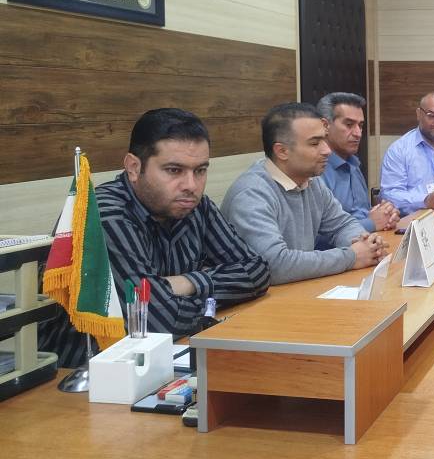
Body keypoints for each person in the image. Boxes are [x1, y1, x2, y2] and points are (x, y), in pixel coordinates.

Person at [39, 108, 271, 367]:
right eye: (174, 170)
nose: (191, 185)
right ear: (134, 167)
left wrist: (185, 283)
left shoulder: (195, 206)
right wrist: (201, 303)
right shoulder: (105, 216)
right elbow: (156, 321)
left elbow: (257, 272)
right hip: (84, 369)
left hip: (161, 357)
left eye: (200, 170)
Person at [222, 103, 387, 284]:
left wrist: (366, 243)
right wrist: (351, 256)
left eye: (324, 140)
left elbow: (342, 225)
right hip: (265, 298)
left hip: (298, 289)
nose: (327, 150)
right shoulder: (251, 194)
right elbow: (274, 265)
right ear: (282, 151)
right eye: (315, 143)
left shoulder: (311, 181)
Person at [316, 92, 399, 232]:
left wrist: (386, 215)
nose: (358, 133)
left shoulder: (353, 163)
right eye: (349, 125)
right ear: (325, 126)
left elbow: (363, 213)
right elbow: (318, 234)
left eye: (360, 125)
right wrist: (371, 223)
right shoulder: (316, 170)